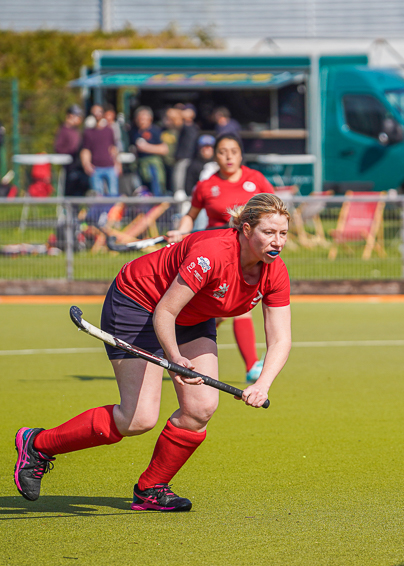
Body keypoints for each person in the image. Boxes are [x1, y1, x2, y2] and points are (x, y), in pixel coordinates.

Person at [13, 193, 292, 510]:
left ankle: (151, 489)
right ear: (246, 229)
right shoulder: (213, 254)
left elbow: (281, 339)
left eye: (283, 233)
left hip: (192, 315)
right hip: (139, 302)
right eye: (269, 232)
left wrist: (262, 384)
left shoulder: (275, 272)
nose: (278, 241)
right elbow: (165, 311)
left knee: (200, 408)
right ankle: (38, 444)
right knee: (137, 418)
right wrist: (175, 358)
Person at [167, 133, 276, 382]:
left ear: (241, 154)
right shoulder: (206, 185)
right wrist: (180, 231)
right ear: (214, 155)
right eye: (222, 152)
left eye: (233, 151)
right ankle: (177, 343)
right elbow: (191, 216)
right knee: (219, 310)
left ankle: (251, 366)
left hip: (247, 254)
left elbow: (274, 210)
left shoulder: (256, 180)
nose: (228, 157)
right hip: (215, 254)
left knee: (235, 307)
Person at [129, 106, 169, 196]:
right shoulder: (134, 132)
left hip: (153, 165)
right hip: (140, 165)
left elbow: (164, 149)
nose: (141, 121)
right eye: (139, 119)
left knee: (156, 190)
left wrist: (146, 147)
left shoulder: (155, 130)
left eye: (143, 118)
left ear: (150, 118)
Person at [54, 104, 87, 197]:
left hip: (79, 165)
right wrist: (72, 151)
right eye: (78, 116)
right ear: (71, 116)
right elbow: (58, 148)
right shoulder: (63, 130)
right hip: (70, 166)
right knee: (70, 190)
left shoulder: (76, 130)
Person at [173, 103, 201, 196]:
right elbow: (173, 116)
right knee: (179, 185)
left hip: (191, 158)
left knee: (187, 183)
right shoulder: (182, 124)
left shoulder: (194, 127)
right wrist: (179, 110)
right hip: (182, 158)